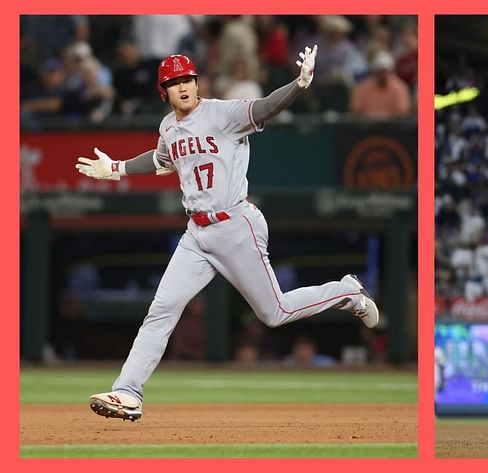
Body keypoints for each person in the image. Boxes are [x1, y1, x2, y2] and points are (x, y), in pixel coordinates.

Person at [79, 45, 379, 422]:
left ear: (197, 81)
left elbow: (265, 106)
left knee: (275, 312)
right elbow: (160, 160)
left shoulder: (222, 113)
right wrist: (118, 167)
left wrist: (299, 85)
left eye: (187, 78)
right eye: (173, 82)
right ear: (164, 92)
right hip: (196, 234)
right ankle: (127, 392)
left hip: (236, 226)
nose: (183, 86)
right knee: (161, 309)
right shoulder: (168, 127)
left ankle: (347, 291)